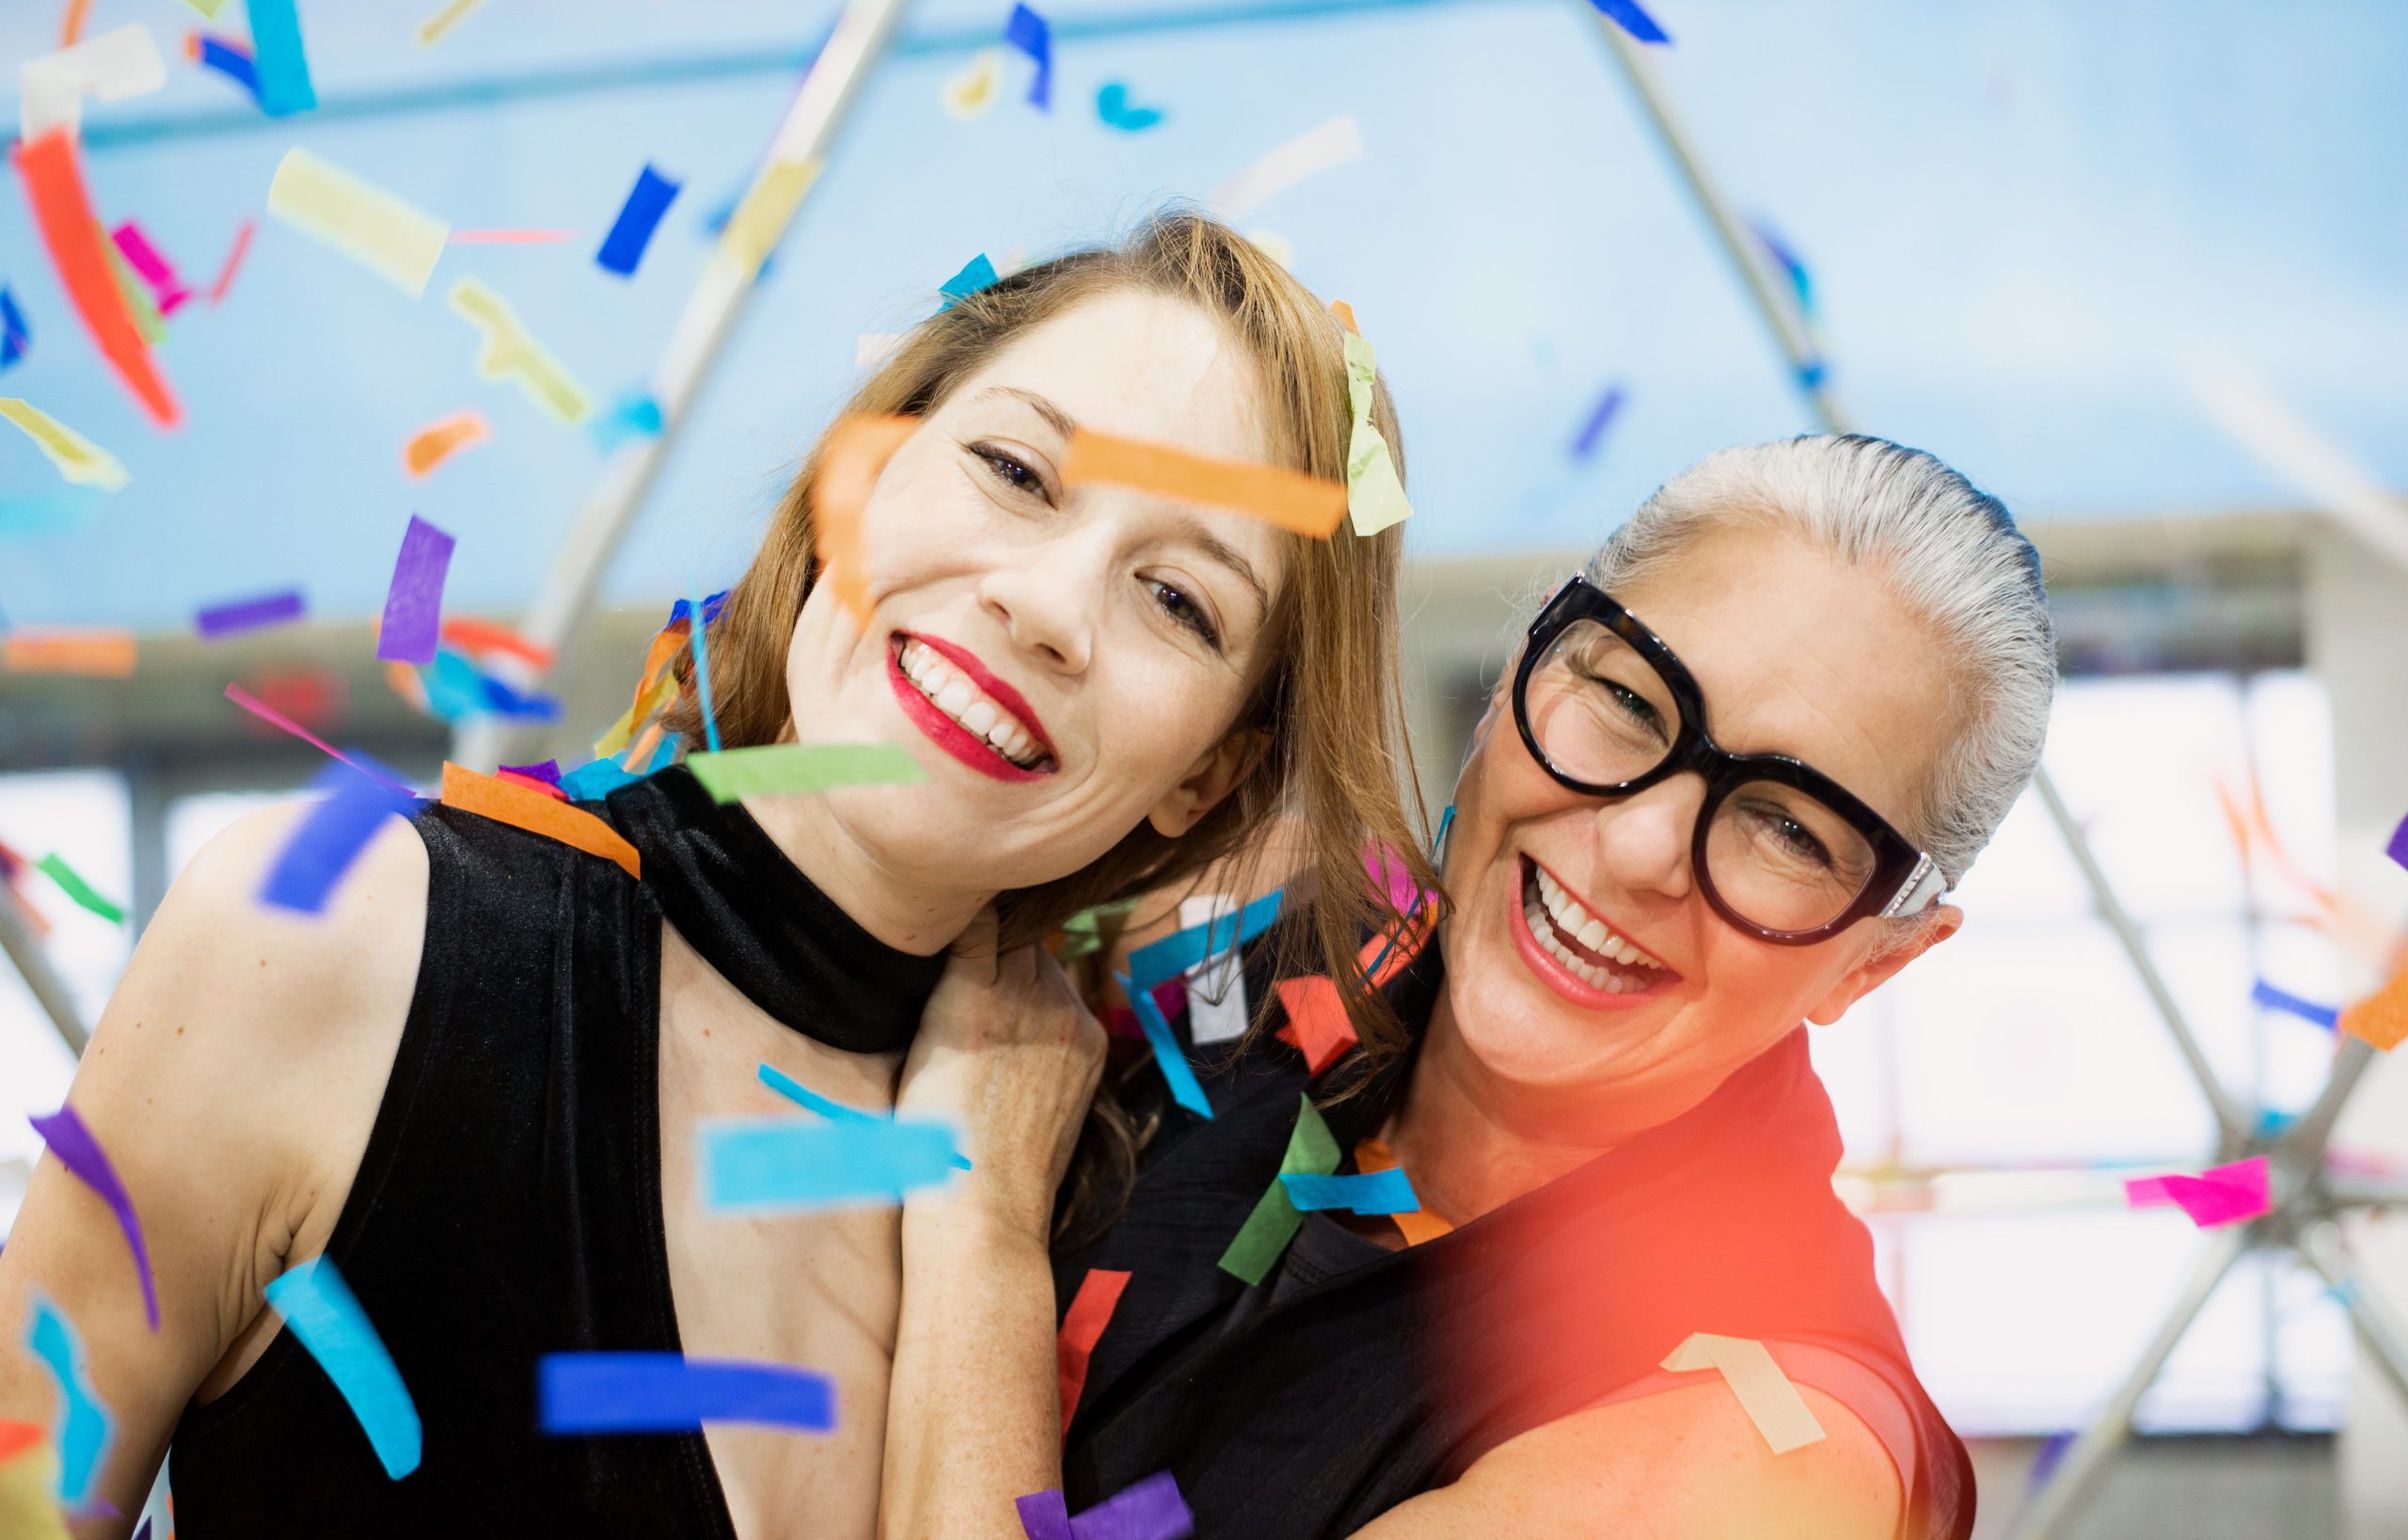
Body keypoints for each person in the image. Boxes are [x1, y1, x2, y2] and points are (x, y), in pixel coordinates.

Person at [0, 213, 1432, 1538]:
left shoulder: (1088, 1211)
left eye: (1177, 598)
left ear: (1209, 774)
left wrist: (985, 1234)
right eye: (1014, 471)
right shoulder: (340, 937)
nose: (1048, 604)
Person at [880, 435, 2057, 1539]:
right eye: (1629, 701)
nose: (1639, 847)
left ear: (1877, 958)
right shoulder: (1267, 929)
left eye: (1790, 829)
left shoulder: (1765, 1458)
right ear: (1521, 666)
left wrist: (979, 1221)